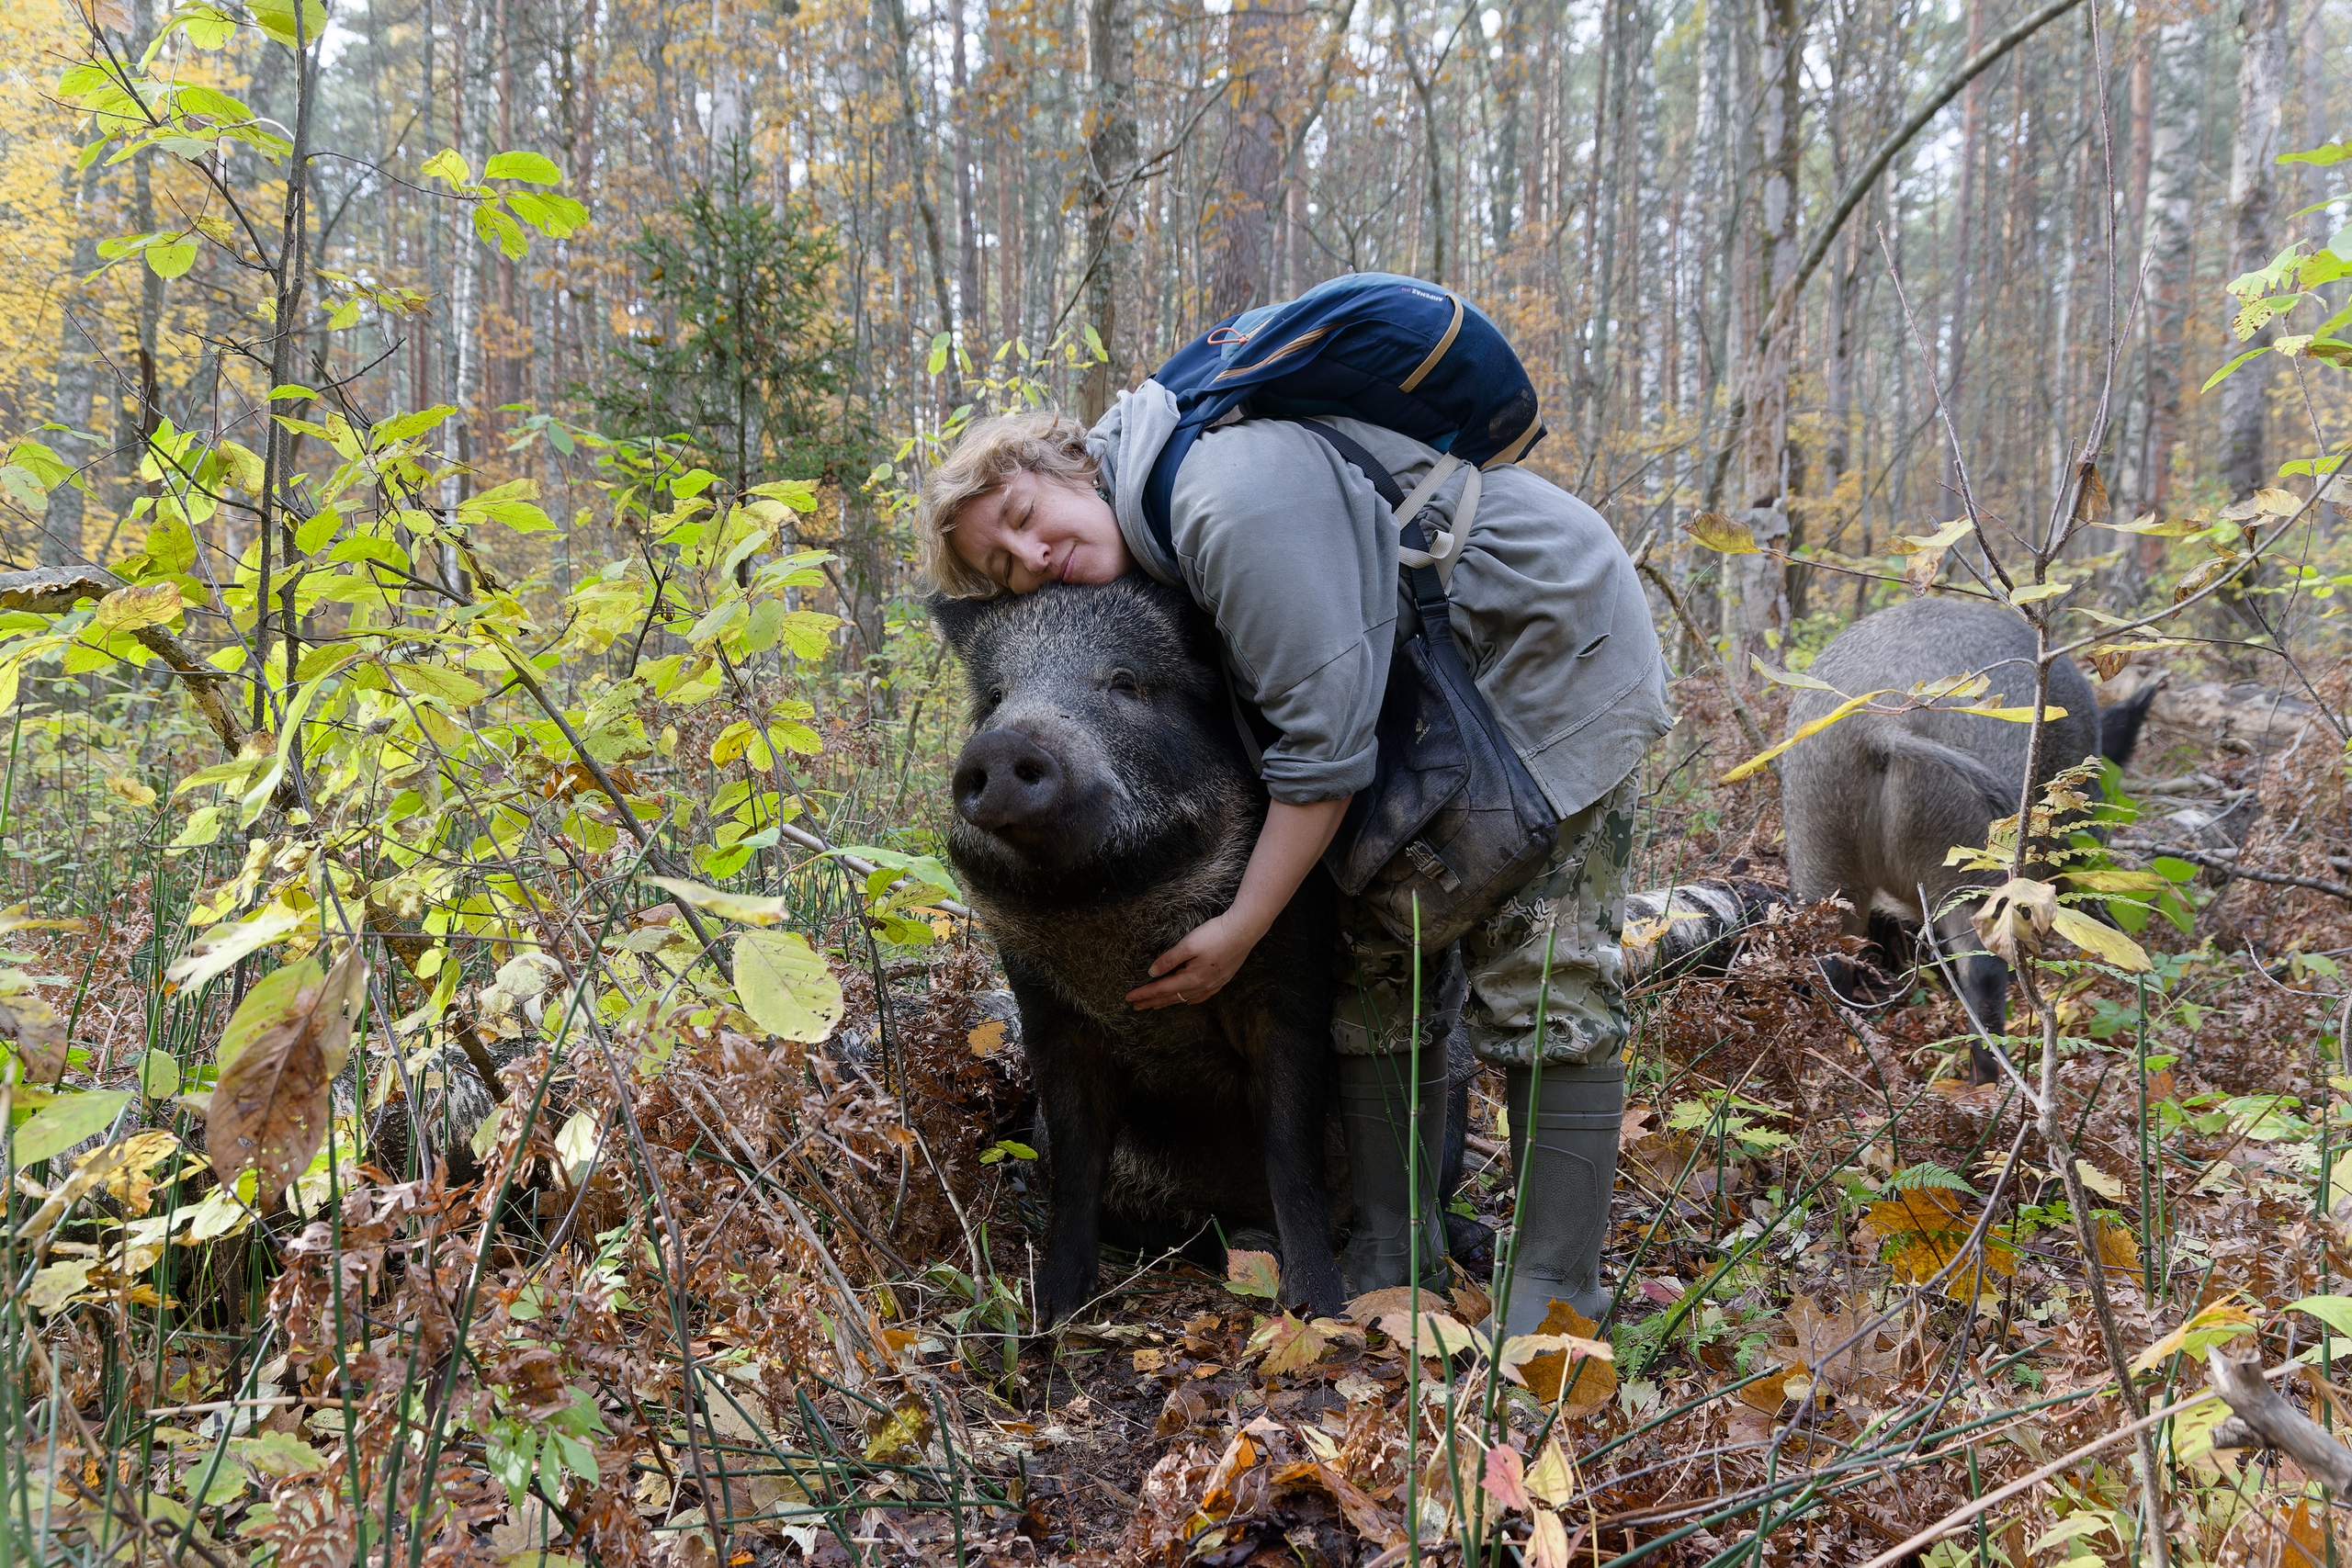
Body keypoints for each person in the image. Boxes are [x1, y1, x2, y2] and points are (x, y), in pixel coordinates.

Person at [918, 386, 1671, 1337]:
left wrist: (1240, 926)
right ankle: (1397, 1252)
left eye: (1025, 517)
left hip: (1538, 649)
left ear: (1076, 463)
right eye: (1001, 562)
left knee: (1542, 963)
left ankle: (1554, 1295)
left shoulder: (1220, 497)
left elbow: (1320, 747)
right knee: (1377, 958)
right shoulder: (1151, 534)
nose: (1032, 559)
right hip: (1413, 694)